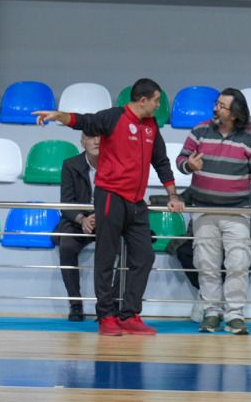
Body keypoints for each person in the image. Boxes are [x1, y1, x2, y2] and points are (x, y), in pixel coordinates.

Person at [33, 78, 184, 336]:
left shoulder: (151, 126)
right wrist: (59, 116)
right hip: (111, 197)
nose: (159, 105)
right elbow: (85, 121)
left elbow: (160, 161)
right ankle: (106, 316)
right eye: (157, 100)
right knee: (106, 257)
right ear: (143, 100)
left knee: (144, 256)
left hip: (136, 202)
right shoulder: (114, 117)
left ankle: (129, 314)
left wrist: (173, 195)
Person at [177, 87, 251, 335]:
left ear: (235, 113)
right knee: (206, 264)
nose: (215, 108)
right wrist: (189, 165)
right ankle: (211, 312)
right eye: (216, 103)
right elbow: (181, 161)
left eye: (222, 106)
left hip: (237, 212)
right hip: (204, 210)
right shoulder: (199, 130)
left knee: (239, 263)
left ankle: (235, 315)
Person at [56, 133, 99, 322]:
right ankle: (75, 303)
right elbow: (66, 203)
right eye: (91, 137)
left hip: (106, 220)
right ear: (83, 142)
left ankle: (108, 305)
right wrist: (82, 219)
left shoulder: (115, 164)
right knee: (66, 246)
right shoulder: (70, 165)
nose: (97, 141)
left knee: (124, 247)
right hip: (78, 220)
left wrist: (100, 217)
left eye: (101, 136)